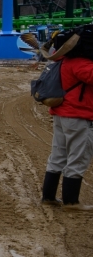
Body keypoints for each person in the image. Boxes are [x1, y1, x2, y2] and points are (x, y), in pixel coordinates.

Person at [43, 49, 93, 211]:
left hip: (62, 113)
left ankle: (48, 197)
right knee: (78, 156)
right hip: (78, 115)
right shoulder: (81, 63)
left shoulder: (63, 61)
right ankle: (71, 202)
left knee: (58, 155)